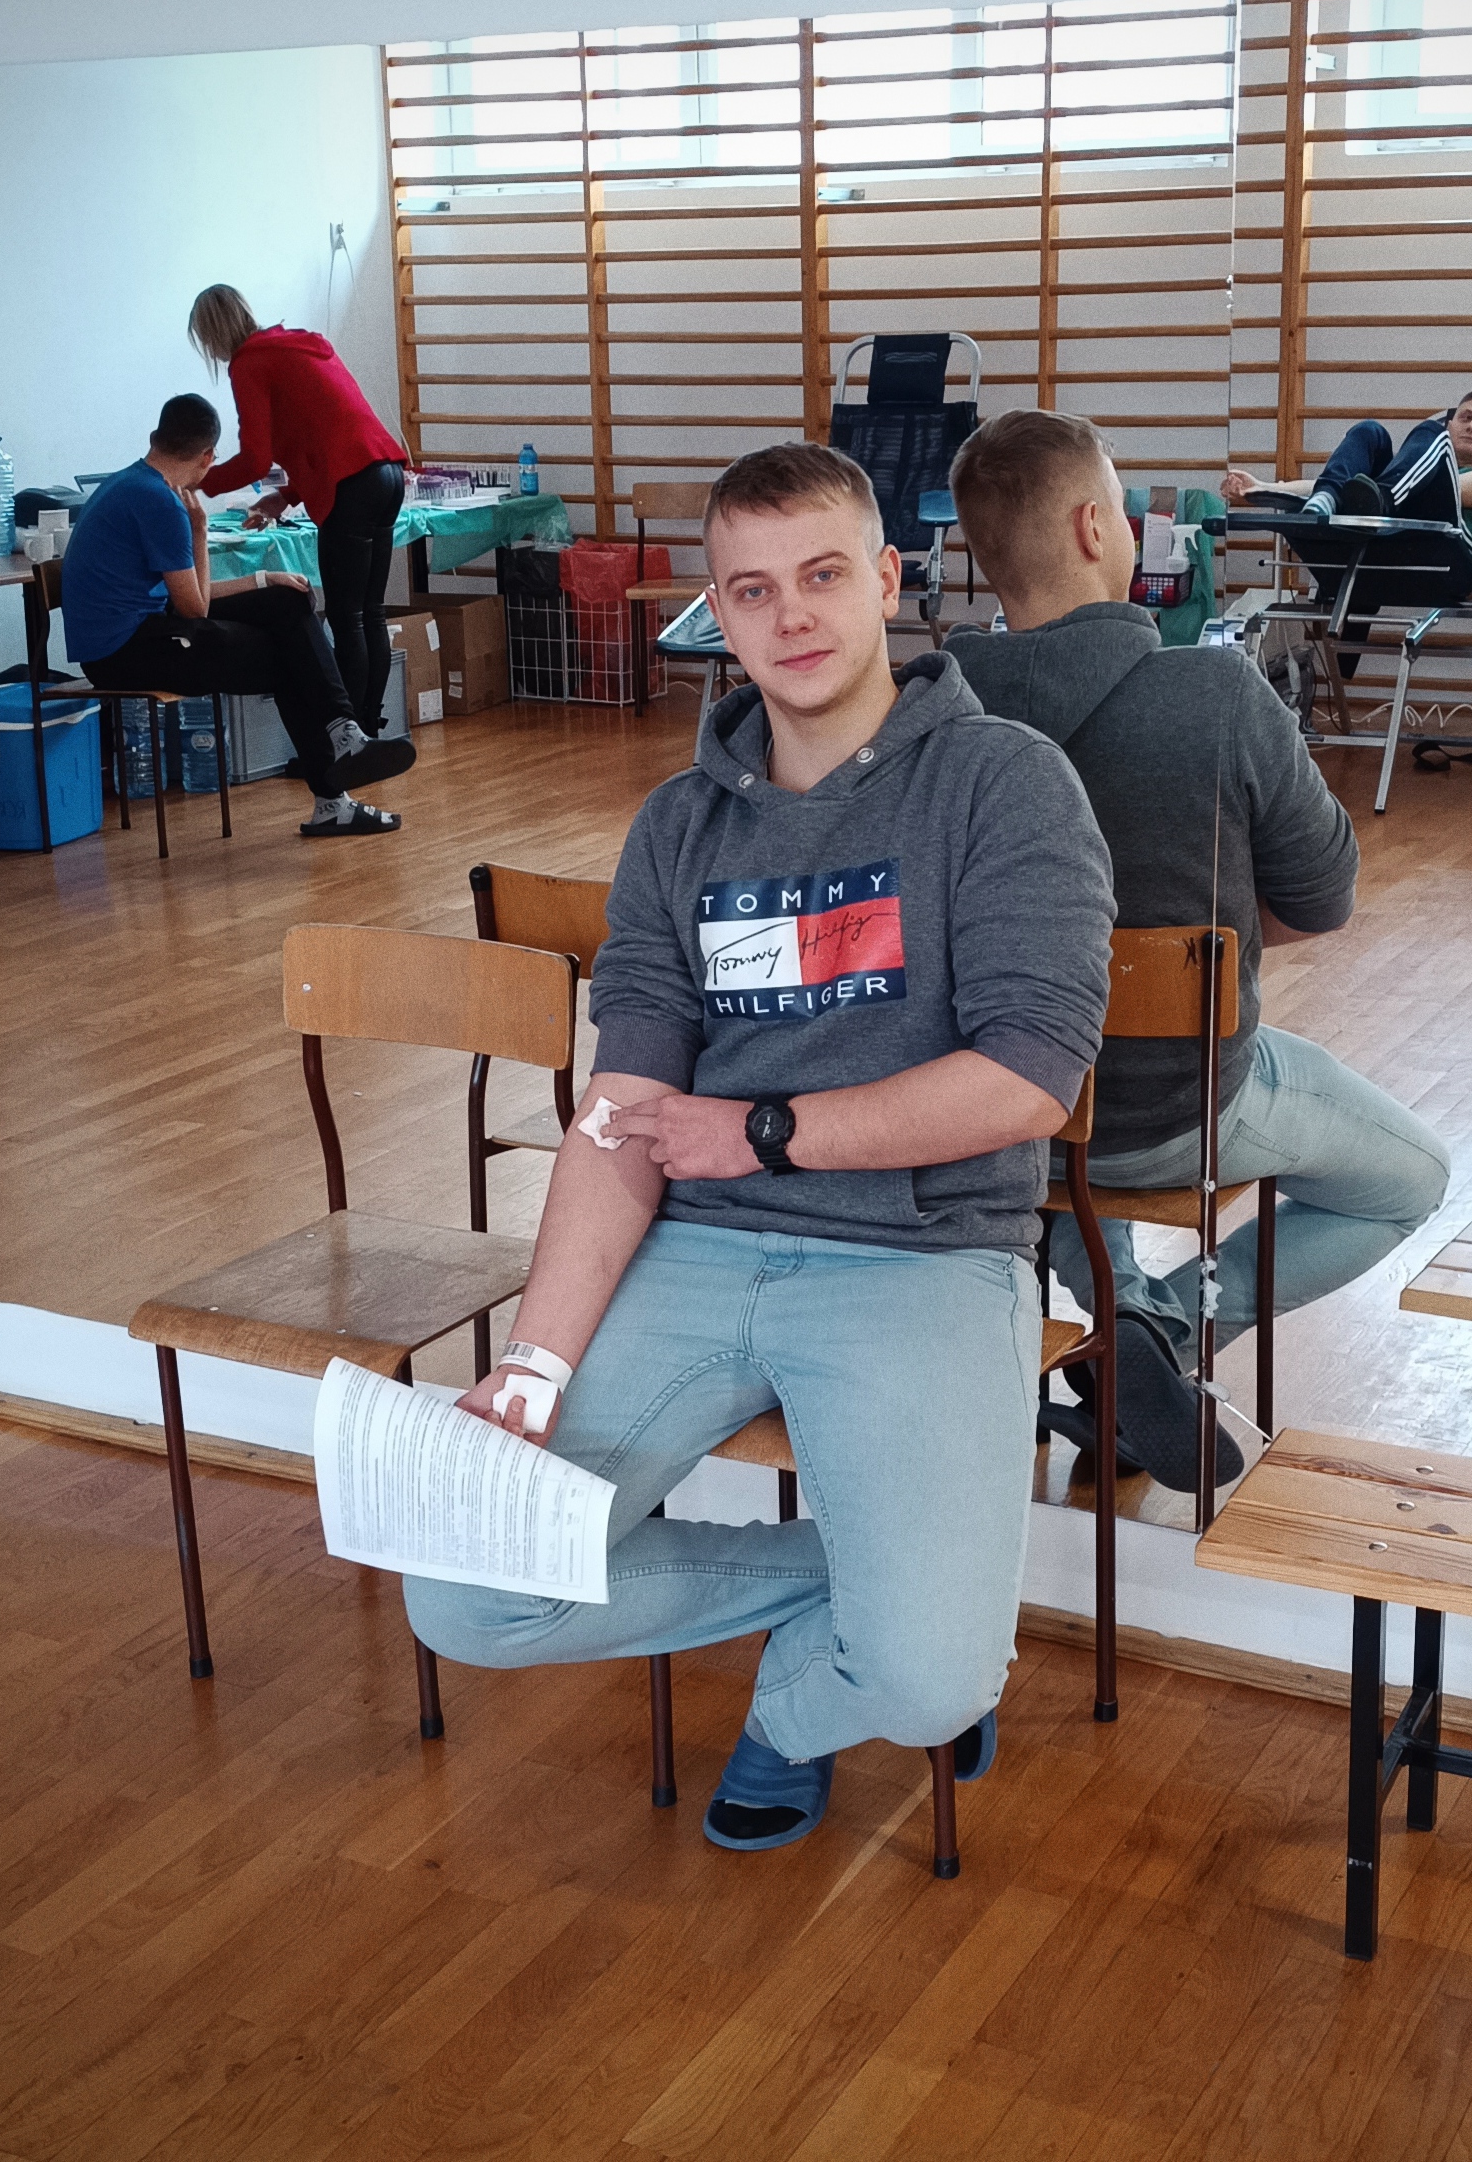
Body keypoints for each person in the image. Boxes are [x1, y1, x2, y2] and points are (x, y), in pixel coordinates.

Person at [404, 442, 1115, 1857]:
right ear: (714, 614)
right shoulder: (679, 826)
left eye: (822, 575)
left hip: (922, 1257)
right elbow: (622, 1107)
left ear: (887, 582)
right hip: (699, 1247)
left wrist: (762, 1131)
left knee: (926, 1684)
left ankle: (800, 1705)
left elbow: (1029, 1078)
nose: (791, 616)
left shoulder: (1004, 782)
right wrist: (531, 1366)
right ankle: (853, 1593)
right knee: (469, 1589)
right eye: (750, 590)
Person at [947, 409, 1452, 1493]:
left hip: (985, 1115)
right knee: (1410, 1181)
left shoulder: (928, 713)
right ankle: (1157, 1332)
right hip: (1181, 1111)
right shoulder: (1214, 691)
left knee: (1065, 1125)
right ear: (1094, 527)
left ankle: (1110, 1315)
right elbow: (1320, 904)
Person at [59, 394, 413, 834]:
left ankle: (345, 733)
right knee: (291, 657)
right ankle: (334, 790)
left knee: (286, 601)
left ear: (156, 437)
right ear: (208, 457)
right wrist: (200, 530)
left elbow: (189, 600)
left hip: (145, 630)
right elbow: (195, 608)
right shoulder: (161, 502)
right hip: (120, 655)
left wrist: (264, 579)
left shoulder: (133, 482)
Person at [189, 285, 410, 739]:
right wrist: (287, 495)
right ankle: (368, 728)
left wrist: (195, 480)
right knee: (371, 612)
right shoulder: (303, 343)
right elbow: (332, 427)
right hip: (386, 473)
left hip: (352, 485)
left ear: (212, 335)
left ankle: (349, 741)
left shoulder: (249, 363)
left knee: (346, 618)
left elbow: (255, 460)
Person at [1226, 388, 1472, 566]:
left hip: (1446, 551)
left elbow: (1448, 490)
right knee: (1370, 432)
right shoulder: (1404, 477)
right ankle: (1327, 499)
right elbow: (1349, 486)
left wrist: (1381, 492)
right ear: (1452, 423)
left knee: (1428, 433)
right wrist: (1263, 487)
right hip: (1386, 536)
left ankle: (1381, 503)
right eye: (1466, 417)